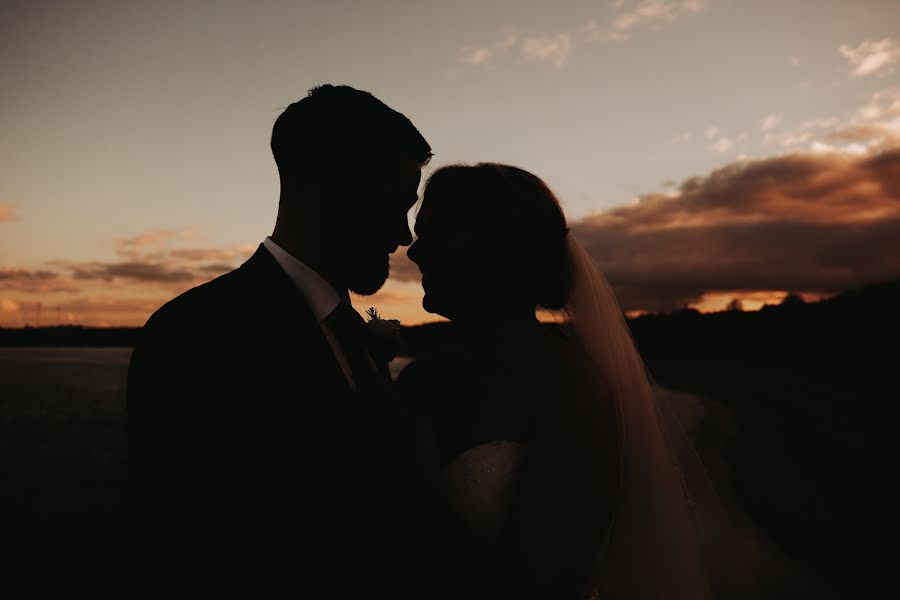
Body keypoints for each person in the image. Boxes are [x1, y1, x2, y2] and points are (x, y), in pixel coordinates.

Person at [126, 84, 458, 598]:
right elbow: (188, 549)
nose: (404, 235)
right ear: (327, 188)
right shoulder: (194, 336)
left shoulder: (355, 336)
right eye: (394, 205)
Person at [400, 163, 757, 599]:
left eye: (435, 232)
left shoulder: (569, 390)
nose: (415, 252)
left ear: (494, 248)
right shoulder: (422, 378)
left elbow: (544, 579)